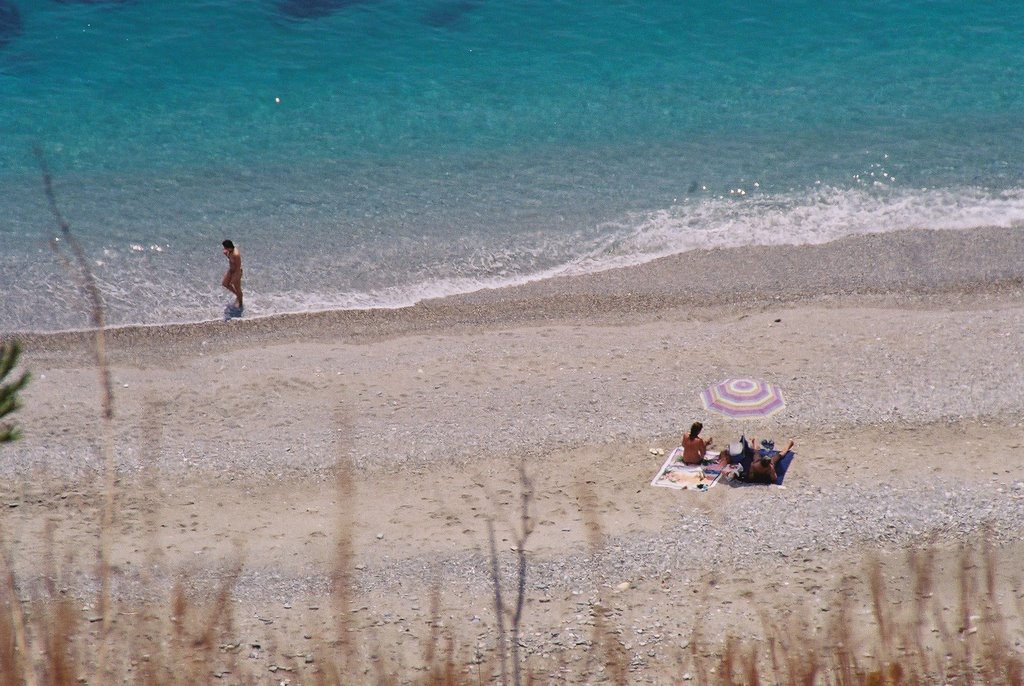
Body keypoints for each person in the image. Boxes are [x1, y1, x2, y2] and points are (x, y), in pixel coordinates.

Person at [221, 239, 243, 310]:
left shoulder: (236, 254)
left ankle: (240, 304)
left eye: (225, 247)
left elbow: (238, 266)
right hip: (231, 270)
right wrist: (227, 254)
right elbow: (231, 260)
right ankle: (237, 295)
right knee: (225, 283)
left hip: (236, 272)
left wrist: (235, 276)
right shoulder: (230, 251)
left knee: (237, 288)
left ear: (229, 247)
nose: (224, 249)